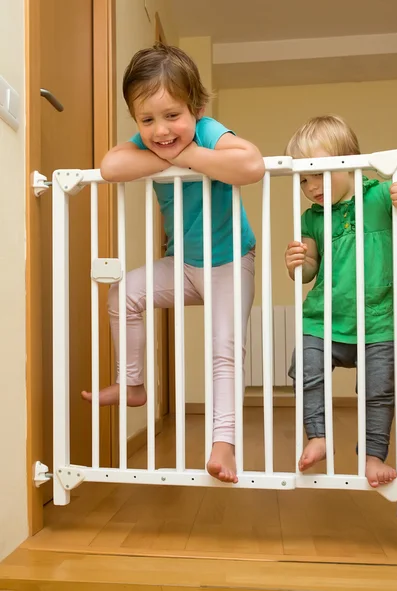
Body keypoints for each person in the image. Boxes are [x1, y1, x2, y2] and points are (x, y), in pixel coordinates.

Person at [82, 43, 265, 484]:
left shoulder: (207, 131)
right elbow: (110, 166)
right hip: (182, 264)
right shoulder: (146, 143)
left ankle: (224, 441)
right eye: (147, 120)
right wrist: (164, 155)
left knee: (225, 351)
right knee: (122, 292)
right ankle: (133, 385)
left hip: (228, 262)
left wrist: (184, 157)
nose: (161, 130)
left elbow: (252, 164)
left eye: (172, 116)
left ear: (197, 108)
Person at [284, 115, 397, 488]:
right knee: (305, 367)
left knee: (379, 391)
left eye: (319, 173)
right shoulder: (312, 218)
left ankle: (372, 456)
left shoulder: (382, 195)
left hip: (380, 320)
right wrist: (299, 263)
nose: (311, 186)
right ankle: (317, 436)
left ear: (350, 161)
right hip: (324, 320)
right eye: (303, 178)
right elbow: (309, 270)